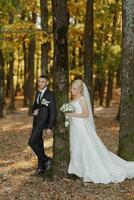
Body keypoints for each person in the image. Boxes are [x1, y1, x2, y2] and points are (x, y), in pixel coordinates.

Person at [66, 79, 134, 184]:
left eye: (74, 89)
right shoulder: (74, 99)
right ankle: (77, 169)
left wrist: (72, 114)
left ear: (80, 90)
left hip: (81, 126)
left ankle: (85, 169)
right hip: (75, 126)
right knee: (75, 146)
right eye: (72, 88)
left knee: (83, 145)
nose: (72, 90)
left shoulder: (82, 100)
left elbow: (86, 114)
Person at [28, 75, 57, 175]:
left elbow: (53, 111)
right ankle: (41, 167)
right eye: (39, 81)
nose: (40, 83)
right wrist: (34, 111)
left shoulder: (50, 94)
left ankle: (47, 159)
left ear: (47, 82)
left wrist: (50, 126)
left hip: (43, 122)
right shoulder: (37, 93)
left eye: (43, 81)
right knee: (39, 143)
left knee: (31, 142)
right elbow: (35, 107)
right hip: (36, 121)